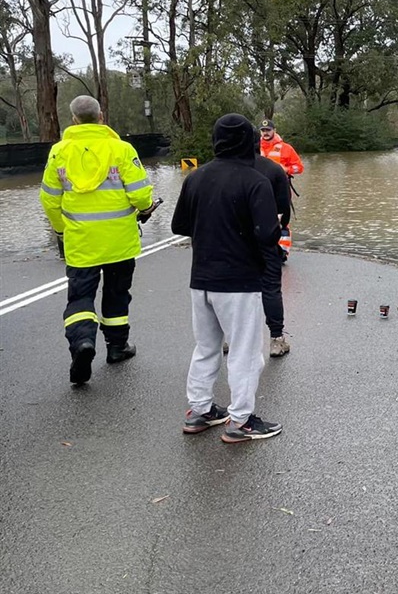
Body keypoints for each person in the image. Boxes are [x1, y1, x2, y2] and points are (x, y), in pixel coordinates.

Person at [172, 114, 283, 443]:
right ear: (249, 141)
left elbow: (179, 226)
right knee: (245, 354)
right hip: (239, 281)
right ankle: (242, 421)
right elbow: (267, 234)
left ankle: (200, 411)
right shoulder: (255, 181)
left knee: (205, 348)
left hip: (201, 279)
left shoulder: (195, 178)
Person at [39, 95, 157, 385]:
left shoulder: (59, 152)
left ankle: (82, 343)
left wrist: (61, 231)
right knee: (117, 293)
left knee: (80, 297)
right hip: (119, 241)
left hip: (81, 243)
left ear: (74, 119)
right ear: (101, 116)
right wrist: (144, 209)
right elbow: (141, 193)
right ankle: (117, 348)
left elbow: (49, 200)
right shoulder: (121, 148)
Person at [253, 153, 291, 358]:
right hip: (264, 239)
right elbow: (284, 211)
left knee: (232, 290)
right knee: (270, 288)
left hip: (229, 243)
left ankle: (227, 338)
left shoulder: (207, 173)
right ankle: (276, 339)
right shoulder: (273, 170)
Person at [258, 119, 303, 259]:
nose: (265, 133)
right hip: (259, 189)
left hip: (280, 190)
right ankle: (261, 250)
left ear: (274, 131)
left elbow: (299, 168)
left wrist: (287, 169)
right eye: (263, 131)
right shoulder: (254, 147)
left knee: (283, 220)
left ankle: (283, 250)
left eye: (268, 130)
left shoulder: (286, 148)